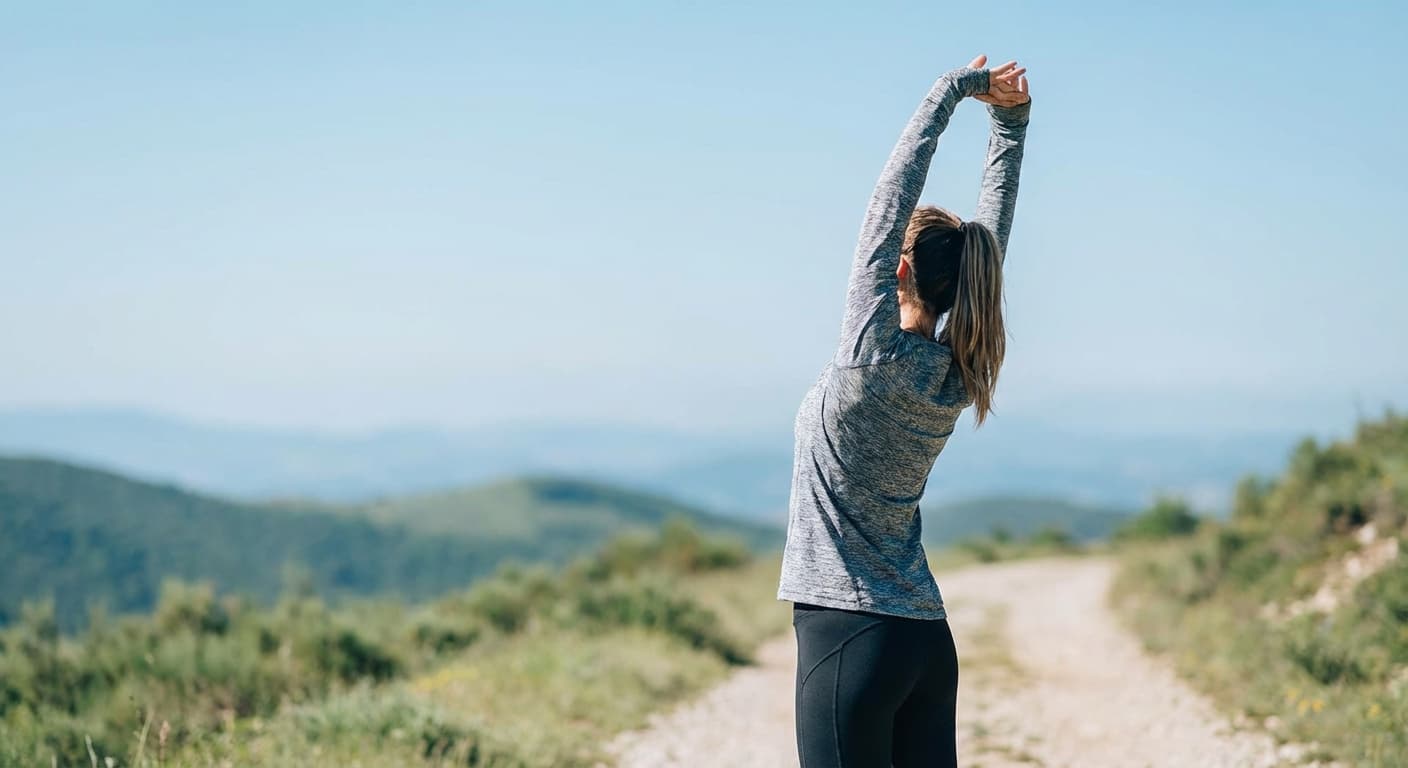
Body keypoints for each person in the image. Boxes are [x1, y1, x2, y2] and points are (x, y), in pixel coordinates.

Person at [776, 54, 1031, 768]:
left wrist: (954, 91)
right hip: (924, 641)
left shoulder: (869, 352)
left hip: (847, 637)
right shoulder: (959, 370)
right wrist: (1009, 124)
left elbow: (890, 200)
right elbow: (989, 246)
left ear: (894, 270)